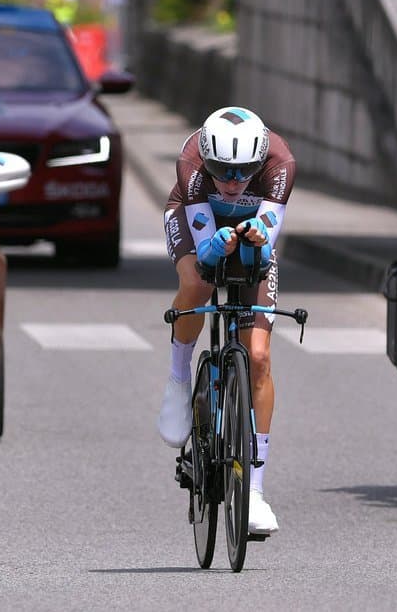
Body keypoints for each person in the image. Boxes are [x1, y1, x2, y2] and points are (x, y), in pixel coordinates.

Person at [158, 106, 297, 535]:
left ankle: (253, 491)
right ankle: (179, 378)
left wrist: (253, 239)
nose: (233, 183)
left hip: (253, 234)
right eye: (223, 172)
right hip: (195, 220)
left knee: (257, 356)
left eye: (243, 174)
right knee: (199, 284)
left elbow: (265, 241)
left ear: (258, 163)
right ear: (207, 159)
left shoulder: (281, 163)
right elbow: (204, 255)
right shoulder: (191, 161)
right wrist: (217, 245)